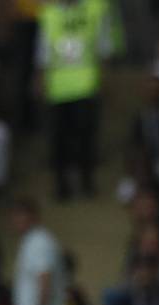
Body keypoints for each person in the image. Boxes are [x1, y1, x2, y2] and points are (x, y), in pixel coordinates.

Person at [36, 0, 123, 200]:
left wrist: (105, 76)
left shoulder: (94, 8)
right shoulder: (49, 13)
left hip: (87, 84)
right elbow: (42, 50)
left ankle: (86, 182)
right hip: (58, 87)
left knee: (86, 137)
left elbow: (103, 45)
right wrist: (40, 79)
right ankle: (62, 185)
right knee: (59, 140)